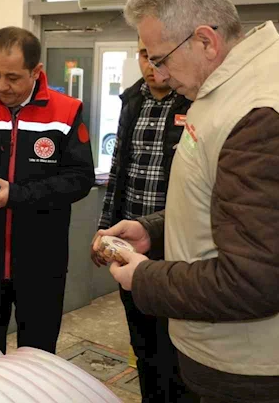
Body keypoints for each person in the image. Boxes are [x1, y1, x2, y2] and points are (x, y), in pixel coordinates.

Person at [99, 0, 279, 403]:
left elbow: (252, 283)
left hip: (259, 369)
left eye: (160, 58)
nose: (156, 72)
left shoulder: (258, 114)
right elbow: (242, 206)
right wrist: (155, 230)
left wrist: (145, 277)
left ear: (205, 41)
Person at [0, 26, 95, 354]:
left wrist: (17, 195)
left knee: (36, 355)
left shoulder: (66, 112)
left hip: (41, 263)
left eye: (13, 77)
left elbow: (80, 179)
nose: (1, 86)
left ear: (36, 72)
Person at [93, 40, 195, 403]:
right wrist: (105, 228)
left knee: (176, 347)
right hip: (128, 240)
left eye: (159, 57)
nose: (152, 65)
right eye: (144, 56)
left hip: (174, 244)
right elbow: (119, 168)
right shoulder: (131, 100)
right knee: (143, 342)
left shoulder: (193, 101)